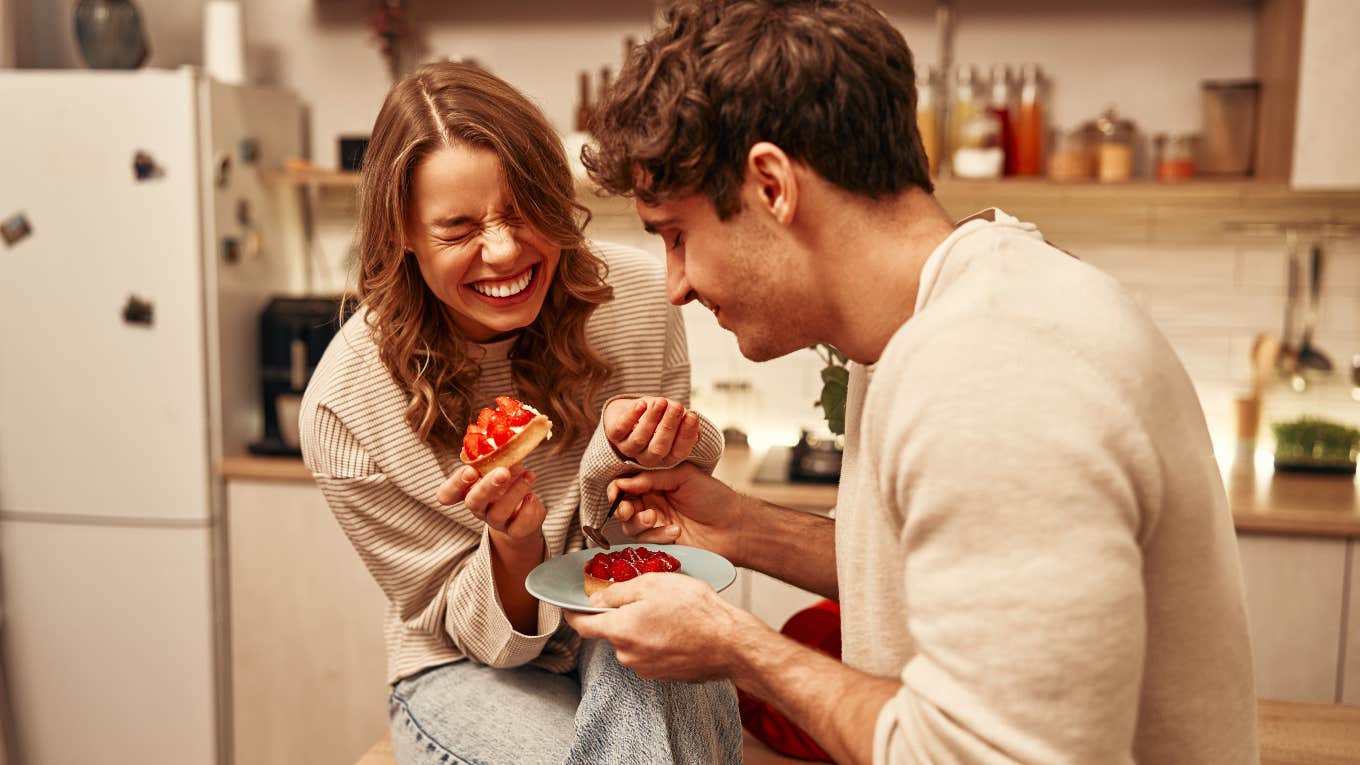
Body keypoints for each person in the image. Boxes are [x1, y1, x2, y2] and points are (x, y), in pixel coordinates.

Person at [565, 2, 1259, 763]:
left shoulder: (990, 367)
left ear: (772, 186)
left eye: (676, 236)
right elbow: (950, 578)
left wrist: (737, 646)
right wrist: (737, 524)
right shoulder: (945, 310)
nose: (676, 286)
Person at [298, 61, 741, 765]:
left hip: (618, 602)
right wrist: (514, 544)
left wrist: (667, 447)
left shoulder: (639, 300)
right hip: (463, 667)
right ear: (403, 233)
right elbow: (457, 625)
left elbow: (658, 537)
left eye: (522, 209)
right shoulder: (346, 407)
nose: (503, 249)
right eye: (458, 228)